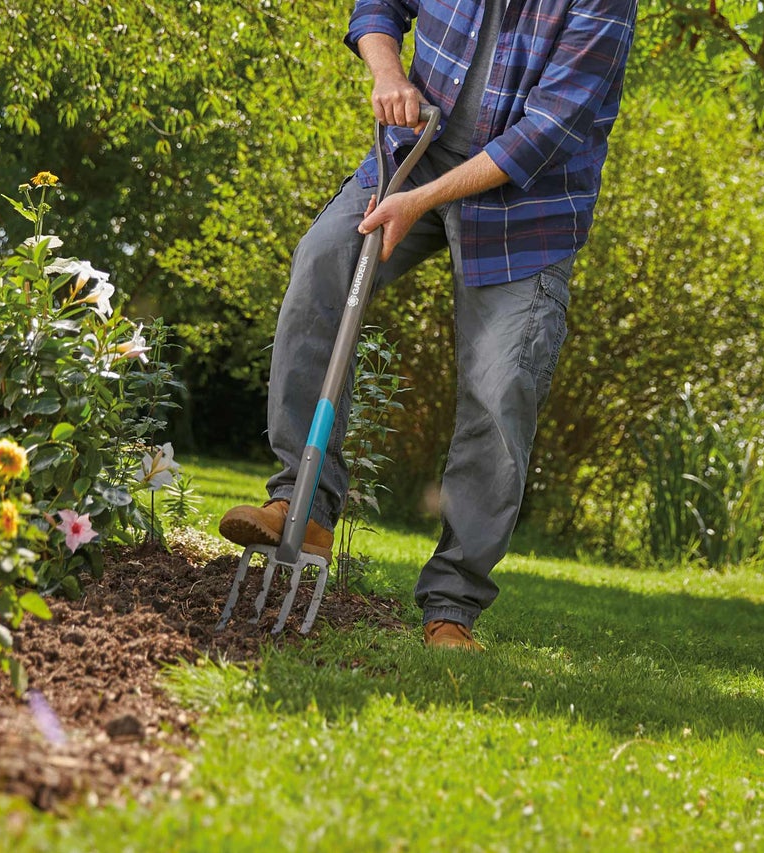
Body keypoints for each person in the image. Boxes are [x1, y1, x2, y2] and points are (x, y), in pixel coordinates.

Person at [218, 0, 640, 650]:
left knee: (502, 384)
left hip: (527, 207)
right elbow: (378, 7)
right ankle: (302, 507)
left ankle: (453, 604)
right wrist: (387, 72)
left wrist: (418, 202)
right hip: (414, 157)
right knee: (321, 266)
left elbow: (547, 130)